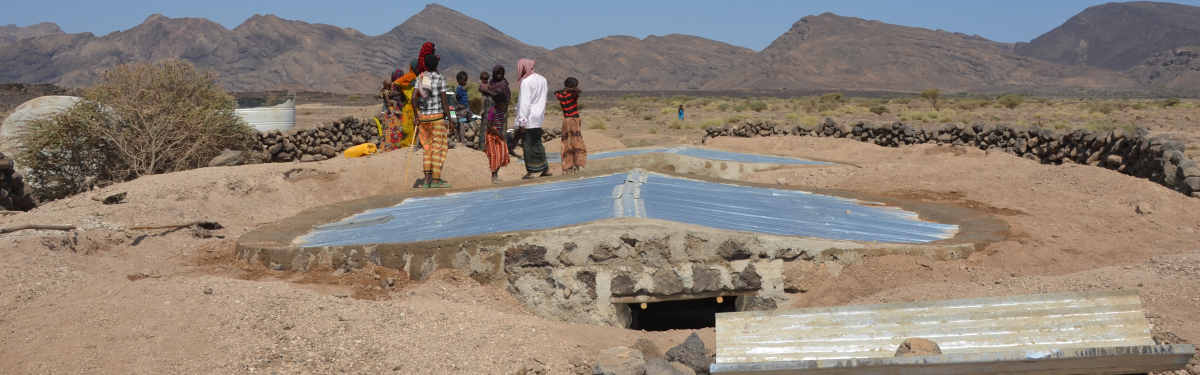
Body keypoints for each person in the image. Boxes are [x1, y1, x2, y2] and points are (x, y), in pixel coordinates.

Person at [414, 53, 453, 188]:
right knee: (437, 149)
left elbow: (414, 98)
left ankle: (426, 181)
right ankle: (436, 180)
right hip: (437, 118)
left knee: (427, 147)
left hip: (424, 119)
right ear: (437, 64)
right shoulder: (440, 78)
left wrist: (416, 116)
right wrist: (450, 119)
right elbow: (444, 101)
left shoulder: (421, 77)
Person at [514, 58, 550, 179]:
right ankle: (546, 169)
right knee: (538, 143)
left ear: (524, 68)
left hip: (528, 118)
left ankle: (531, 172)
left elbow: (525, 103)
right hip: (538, 116)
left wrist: (522, 121)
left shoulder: (526, 82)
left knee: (527, 144)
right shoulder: (543, 79)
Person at [555, 77, 586, 174]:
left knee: (566, 143)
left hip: (566, 120)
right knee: (576, 142)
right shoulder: (573, 95)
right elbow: (579, 91)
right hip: (574, 119)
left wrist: (564, 89)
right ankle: (577, 166)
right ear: (572, 86)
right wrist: (571, 90)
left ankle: (566, 168)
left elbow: (555, 92)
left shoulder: (560, 95)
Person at [453, 71, 473, 146]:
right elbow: (454, 96)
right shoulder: (459, 89)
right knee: (461, 124)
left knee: (460, 124)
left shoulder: (462, 88)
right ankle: (463, 142)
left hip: (464, 110)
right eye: (464, 80)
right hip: (461, 111)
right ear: (459, 80)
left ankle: (459, 140)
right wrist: (459, 105)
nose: (466, 82)